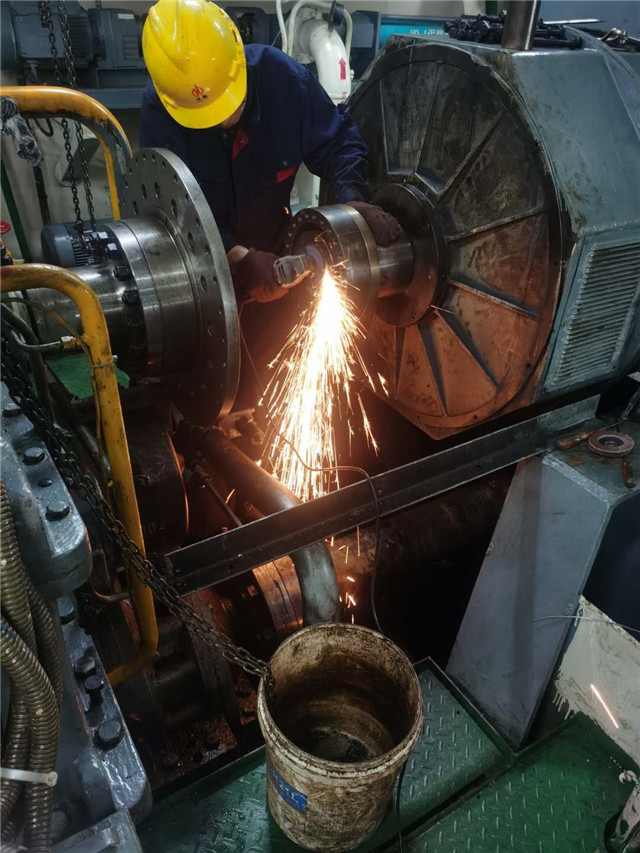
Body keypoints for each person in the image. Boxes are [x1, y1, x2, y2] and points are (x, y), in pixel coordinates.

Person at [139, 0, 400, 306]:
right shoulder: (161, 112)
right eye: (207, 115)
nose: (224, 119)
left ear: (238, 58)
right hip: (203, 274)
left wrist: (353, 203)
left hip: (276, 257)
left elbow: (340, 144)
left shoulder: (283, 81)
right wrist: (237, 257)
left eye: (230, 102)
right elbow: (170, 213)